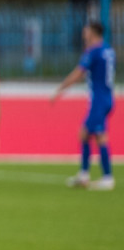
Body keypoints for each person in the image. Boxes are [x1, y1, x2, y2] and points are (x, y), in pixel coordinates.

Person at [52, 20, 115, 191]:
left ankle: (107, 177)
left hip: (99, 100)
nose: (84, 33)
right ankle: (84, 175)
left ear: (93, 32)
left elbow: (78, 73)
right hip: (107, 97)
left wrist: (61, 88)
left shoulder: (93, 51)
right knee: (85, 134)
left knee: (99, 135)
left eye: (86, 30)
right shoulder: (108, 50)